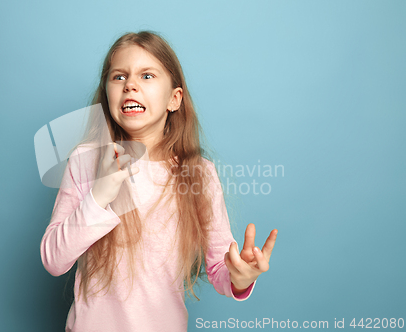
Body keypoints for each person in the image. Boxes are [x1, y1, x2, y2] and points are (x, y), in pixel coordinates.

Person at [40, 30, 278, 332]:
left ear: (174, 99)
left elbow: (220, 268)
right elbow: (53, 259)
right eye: (118, 77)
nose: (130, 86)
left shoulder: (199, 173)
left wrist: (239, 278)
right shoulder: (86, 160)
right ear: (107, 93)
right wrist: (99, 195)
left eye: (147, 76)